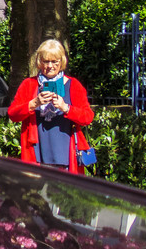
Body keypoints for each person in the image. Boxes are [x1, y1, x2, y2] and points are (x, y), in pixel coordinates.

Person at [7, 39, 95, 174]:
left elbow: (87, 117)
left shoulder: (73, 85)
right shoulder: (29, 84)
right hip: (37, 153)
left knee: (64, 193)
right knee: (37, 194)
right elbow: (12, 114)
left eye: (55, 61)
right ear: (39, 62)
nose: (50, 66)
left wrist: (65, 108)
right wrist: (34, 103)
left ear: (62, 62)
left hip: (65, 154)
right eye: (46, 61)